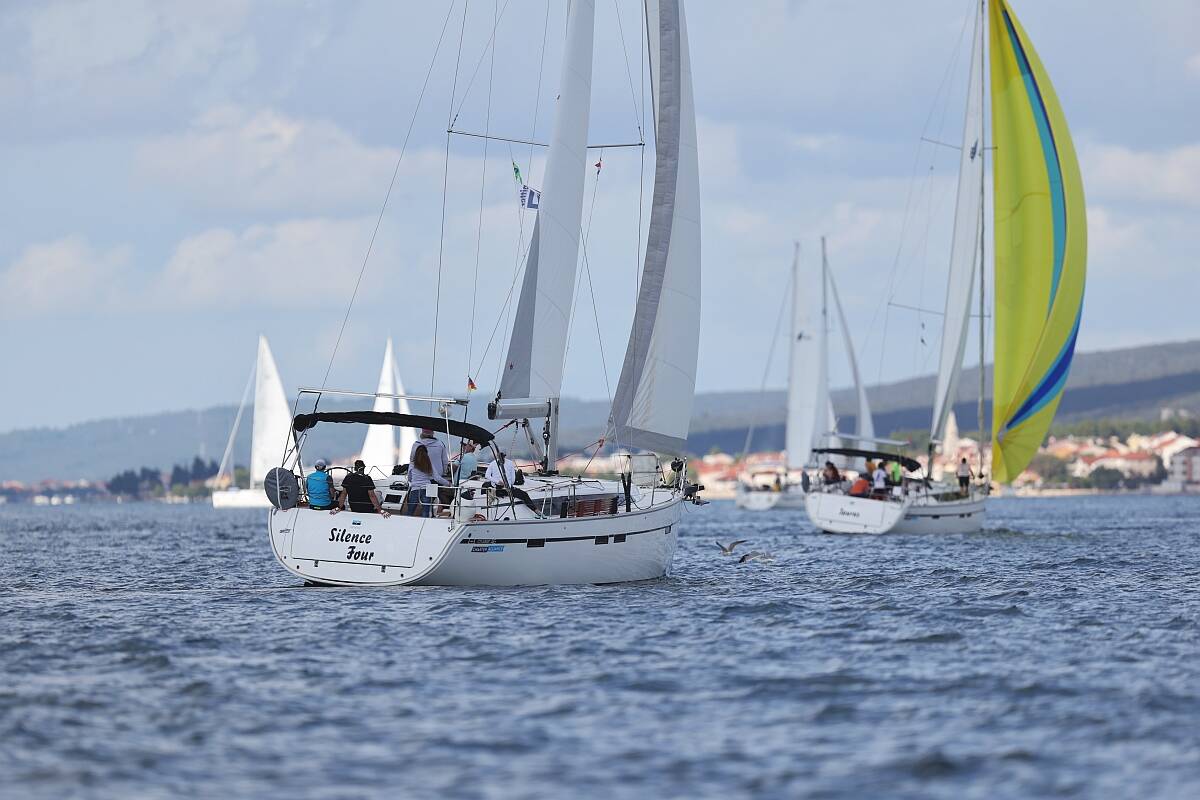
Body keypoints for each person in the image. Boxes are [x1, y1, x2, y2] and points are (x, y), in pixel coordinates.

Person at [404, 444, 449, 517]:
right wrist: (448, 483)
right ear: (426, 453)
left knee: (410, 511)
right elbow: (437, 478)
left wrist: (413, 481)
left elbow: (409, 477)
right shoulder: (429, 464)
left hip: (415, 489)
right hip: (427, 489)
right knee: (426, 511)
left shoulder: (412, 464)